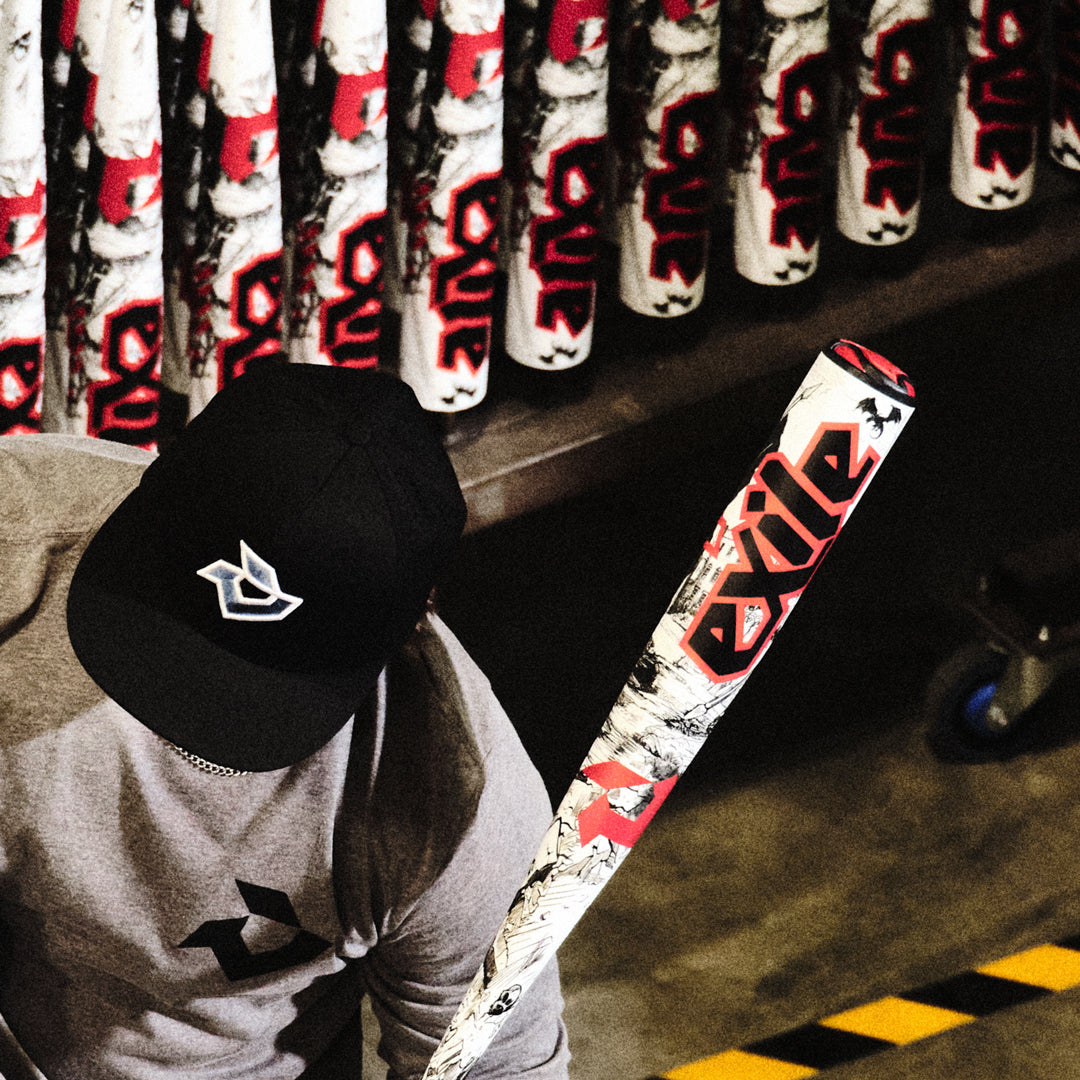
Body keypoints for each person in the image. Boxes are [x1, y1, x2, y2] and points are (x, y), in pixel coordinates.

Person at [0, 363, 571, 1080]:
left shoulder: (456, 808)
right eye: (162, 635)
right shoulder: (11, 535)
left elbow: (493, 1067)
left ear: (414, 626)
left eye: (255, 688)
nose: (182, 723)